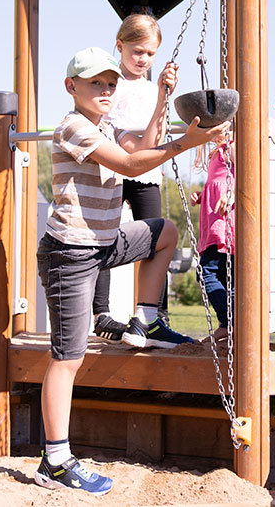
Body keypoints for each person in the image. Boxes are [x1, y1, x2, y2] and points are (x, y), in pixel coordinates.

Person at [34, 47, 230, 496]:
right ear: (72, 88)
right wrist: (186, 144)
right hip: (71, 252)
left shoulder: (105, 125)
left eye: (109, 83)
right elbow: (127, 164)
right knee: (68, 357)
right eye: (94, 83)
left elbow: (141, 145)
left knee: (165, 232)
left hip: (106, 243)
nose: (104, 90)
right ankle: (56, 460)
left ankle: (146, 316)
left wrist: (167, 98)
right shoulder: (73, 127)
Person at [91, 13, 176, 342]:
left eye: (150, 53)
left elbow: (157, 131)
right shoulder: (112, 83)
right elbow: (120, 133)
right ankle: (102, 313)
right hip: (115, 168)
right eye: (137, 51)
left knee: (156, 240)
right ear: (120, 46)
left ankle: (156, 314)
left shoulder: (152, 88)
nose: (143, 59)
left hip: (146, 170)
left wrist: (164, 93)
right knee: (104, 236)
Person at [191, 140, 234, 341]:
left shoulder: (231, 147)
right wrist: (202, 196)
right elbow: (217, 184)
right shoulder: (218, 152)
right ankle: (232, 323)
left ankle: (227, 323)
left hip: (224, 225)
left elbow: (245, 174)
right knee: (228, 276)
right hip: (216, 223)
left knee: (206, 272)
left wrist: (230, 195)